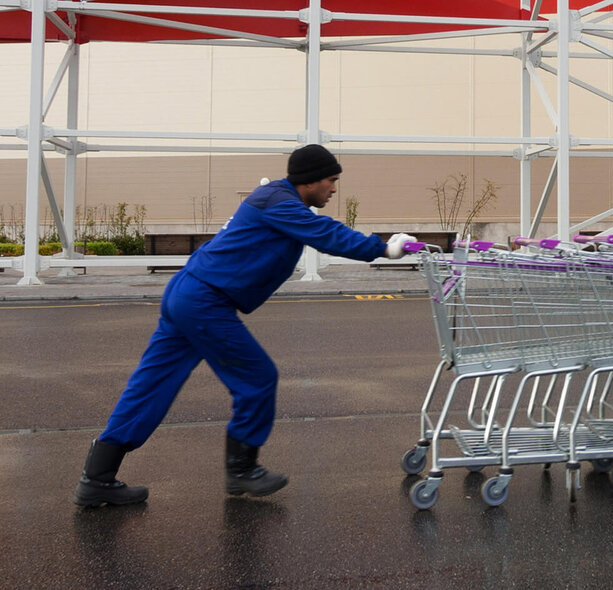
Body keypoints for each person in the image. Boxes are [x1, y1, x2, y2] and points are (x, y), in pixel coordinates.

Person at [73, 144, 415, 507]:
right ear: (310, 180)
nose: (333, 188)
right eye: (331, 180)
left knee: (151, 383)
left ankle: (97, 476)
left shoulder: (276, 199)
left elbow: (316, 231)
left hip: (190, 293)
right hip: (205, 301)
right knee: (257, 376)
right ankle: (241, 469)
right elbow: (327, 234)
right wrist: (383, 249)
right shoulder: (280, 202)